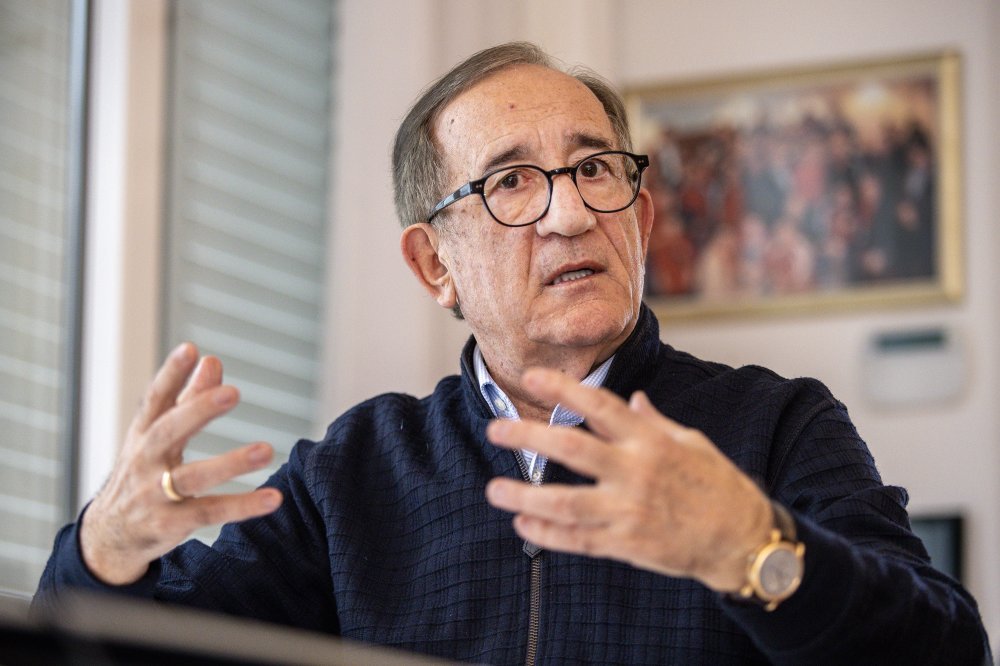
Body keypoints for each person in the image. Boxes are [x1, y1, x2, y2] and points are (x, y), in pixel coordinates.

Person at [37, 42, 989, 665]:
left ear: (640, 220)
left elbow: (948, 652)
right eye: (511, 184)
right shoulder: (353, 474)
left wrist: (750, 550)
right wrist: (103, 549)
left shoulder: (777, 426)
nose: (570, 212)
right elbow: (104, 649)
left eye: (595, 169)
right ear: (433, 265)